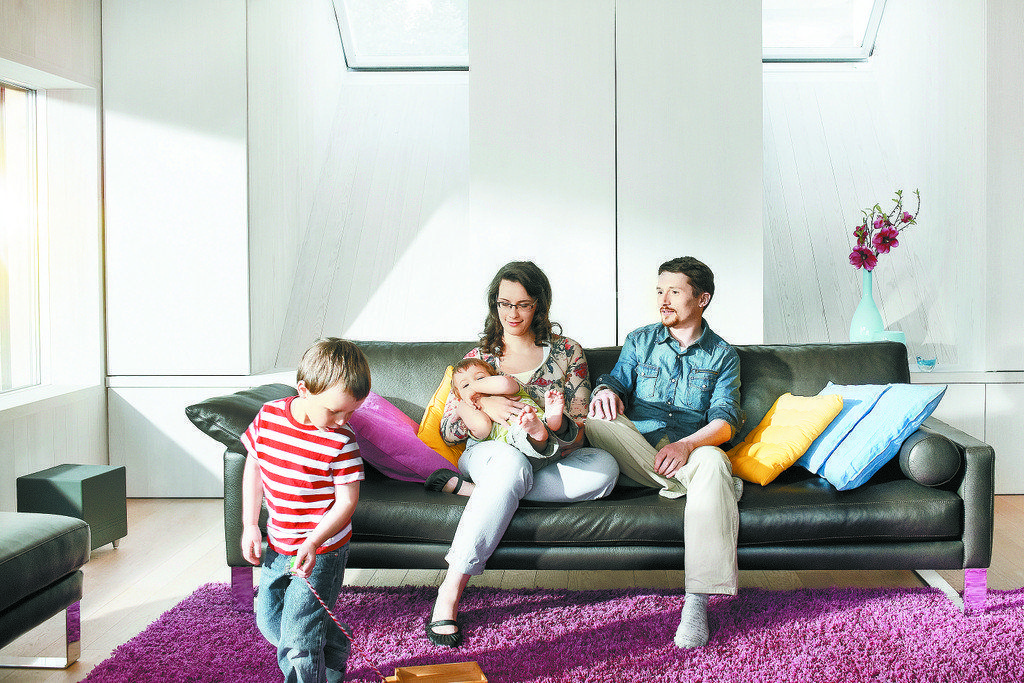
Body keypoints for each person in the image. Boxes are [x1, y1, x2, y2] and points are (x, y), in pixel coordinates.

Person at [425, 261, 620, 647]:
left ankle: (489, 494)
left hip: (549, 455)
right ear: (494, 304)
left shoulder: (567, 353)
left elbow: (580, 427)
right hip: (490, 453)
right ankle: (449, 592)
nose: (512, 313)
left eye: (523, 304)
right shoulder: (479, 357)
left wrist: (547, 428)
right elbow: (450, 430)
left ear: (539, 305)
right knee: (510, 464)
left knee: (604, 469)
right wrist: (485, 403)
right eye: (504, 303)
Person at [585, 256, 744, 650]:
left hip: (689, 451)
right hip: (637, 448)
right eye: (660, 291)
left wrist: (687, 444)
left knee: (713, 459)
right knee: (596, 421)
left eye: (674, 291)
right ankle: (712, 487)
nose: (663, 300)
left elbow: (726, 420)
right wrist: (604, 392)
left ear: (702, 299)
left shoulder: (723, 355)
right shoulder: (640, 340)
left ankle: (696, 602)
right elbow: (615, 381)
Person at [240, 337, 369, 683]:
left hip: (322, 551)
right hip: (278, 545)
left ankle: (315, 666)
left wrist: (313, 541)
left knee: (297, 641)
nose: (342, 420)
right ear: (304, 390)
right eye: (334, 410)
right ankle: (334, 648)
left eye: (351, 412)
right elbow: (254, 465)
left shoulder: (342, 441)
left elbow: (347, 502)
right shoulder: (268, 417)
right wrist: (250, 524)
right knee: (271, 623)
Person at [448, 356, 565, 467]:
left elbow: (504, 384)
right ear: (459, 395)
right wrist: (463, 408)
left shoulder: (509, 391)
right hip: (520, 454)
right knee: (522, 432)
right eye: (465, 385)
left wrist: (473, 387)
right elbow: (482, 427)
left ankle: (551, 420)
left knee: (545, 425)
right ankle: (538, 431)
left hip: (553, 441)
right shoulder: (473, 410)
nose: (473, 387)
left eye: (480, 378)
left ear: (493, 376)